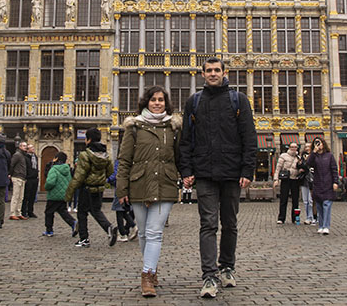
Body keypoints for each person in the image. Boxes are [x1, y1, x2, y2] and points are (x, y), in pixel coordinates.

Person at [179, 57, 257, 299]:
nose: (213, 74)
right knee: (208, 224)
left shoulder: (239, 100)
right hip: (204, 173)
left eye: (217, 70)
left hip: (232, 172)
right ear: (202, 74)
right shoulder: (194, 102)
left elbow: (249, 138)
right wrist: (186, 171)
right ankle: (209, 274)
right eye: (209, 70)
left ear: (225, 72)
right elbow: (185, 141)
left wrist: (247, 170)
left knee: (230, 223)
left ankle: (227, 266)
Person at [117, 85, 182, 297]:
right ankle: (152, 269)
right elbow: (124, 160)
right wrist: (121, 188)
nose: (157, 103)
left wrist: (188, 175)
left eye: (161, 100)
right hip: (139, 184)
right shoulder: (134, 128)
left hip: (165, 183)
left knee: (155, 232)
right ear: (146, 102)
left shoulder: (173, 128)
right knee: (144, 233)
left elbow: (180, 157)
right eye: (153, 99)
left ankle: (146, 275)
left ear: (166, 103)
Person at [64, 127, 117, 248]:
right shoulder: (106, 155)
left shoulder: (85, 155)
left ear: (88, 140)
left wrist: (69, 194)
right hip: (99, 188)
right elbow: (110, 172)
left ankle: (84, 238)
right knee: (96, 211)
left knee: (82, 213)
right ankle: (108, 227)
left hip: (86, 188)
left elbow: (79, 176)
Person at [305, 137, 338, 235]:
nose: (318, 145)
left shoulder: (329, 156)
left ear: (323, 144)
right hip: (318, 183)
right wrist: (313, 152)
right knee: (319, 206)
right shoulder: (314, 157)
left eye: (319, 143)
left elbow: (334, 169)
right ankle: (321, 225)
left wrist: (335, 182)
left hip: (328, 183)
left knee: (327, 205)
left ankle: (326, 226)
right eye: (316, 143)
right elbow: (308, 164)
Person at [42, 152, 77, 238]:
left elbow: (50, 182)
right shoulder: (67, 169)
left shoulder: (54, 169)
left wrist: (46, 187)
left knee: (49, 212)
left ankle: (49, 230)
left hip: (54, 195)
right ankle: (73, 223)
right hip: (63, 194)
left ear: (56, 158)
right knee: (62, 211)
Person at [108, 158, 137, 243]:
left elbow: (118, 174)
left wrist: (108, 180)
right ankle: (132, 227)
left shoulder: (121, 160)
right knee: (124, 210)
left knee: (119, 211)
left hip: (121, 187)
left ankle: (123, 234)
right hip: (129, 186)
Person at [273, 141, 301, 224]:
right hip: (286, 179)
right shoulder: (283, 156)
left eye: (295, 147)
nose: (293, 148)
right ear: (289, 148)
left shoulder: (299, 157)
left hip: (295, 179)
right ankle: (281, 218)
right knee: (283, 199)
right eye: (292, 147)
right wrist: (276, 179)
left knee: (295, 200)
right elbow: (278, 168)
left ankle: (295, 218)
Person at [9, 141, 28, 220]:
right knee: (16, 196)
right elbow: (11, 164)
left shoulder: (23, 156)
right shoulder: (17, 155)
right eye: (24, 146)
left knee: (21, 197)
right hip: (17, 177)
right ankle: (12, 213)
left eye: (26, 146)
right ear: (20, 147)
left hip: (22, 177)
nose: (25, 147)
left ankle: (18, 212)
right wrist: (10, 173)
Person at [299, 142, 315, 224]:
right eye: (306, 147)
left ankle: (314, 217)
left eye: (309, 146)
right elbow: (300, 166)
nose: (307, 148)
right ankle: (308, 217)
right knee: (305, 201)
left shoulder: (315, 156)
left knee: (311, 200)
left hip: (313, 179)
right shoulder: (302, 157)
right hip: (304, 179)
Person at [22, 144, 39, 219]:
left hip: (35, 178)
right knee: (26, 196)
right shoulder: (25, 157)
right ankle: (24, 211)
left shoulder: (35, 157)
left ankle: (30, 211)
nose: (33, 149)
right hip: (28, 178)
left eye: (33, 147)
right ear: (27, 149)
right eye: (31, 148)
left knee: (32, 196)